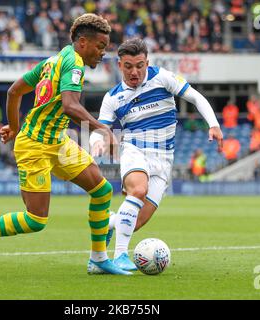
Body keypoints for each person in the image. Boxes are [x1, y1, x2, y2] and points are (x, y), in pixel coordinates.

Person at [0, 14, 132, 275]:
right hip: (34, 145)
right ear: (83, 42)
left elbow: (14, 91)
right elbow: (70, 106)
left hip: (57, 142)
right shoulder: (75, 64)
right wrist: (104, 129)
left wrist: (13, 126)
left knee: (102, 191)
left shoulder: (54, 60)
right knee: (36, 220)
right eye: (101, 46)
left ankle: (98, 259)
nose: (103, 53)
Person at [89, 38, 223, 271]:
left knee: (136, 222)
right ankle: (120, 255)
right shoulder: (112, 98)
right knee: (138, 190)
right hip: (135, 149)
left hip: (164, 159)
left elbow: (195, 97)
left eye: (140, 65)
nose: (135, 71)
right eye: (129, 66)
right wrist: (97, 143)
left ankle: (109, 223)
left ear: (147, 62)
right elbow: (99, 128)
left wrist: (213, 124)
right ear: (120, 65)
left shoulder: (162, 77)